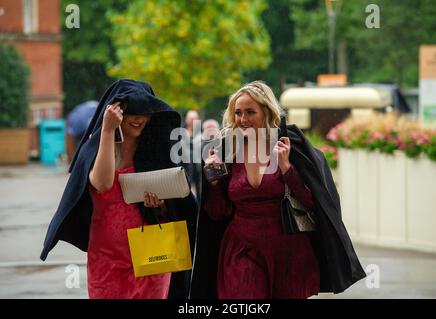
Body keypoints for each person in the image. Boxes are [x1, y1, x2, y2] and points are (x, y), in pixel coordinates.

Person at [190, 80, 366, 299]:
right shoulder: (227, 151)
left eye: (250, 112)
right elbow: (218, 213)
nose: (242, 120)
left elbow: (314, 203)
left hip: (288, 252)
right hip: (240, 250)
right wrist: (214, 182)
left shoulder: (289, 147)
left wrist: (287, 169)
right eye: (238, 113)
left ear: (266, 112)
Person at [40, 79, 198, 299]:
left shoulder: (155, 152)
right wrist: (107, 131)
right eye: (133, 111)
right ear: (117, 112)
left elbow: (177, 205)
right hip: (106, 256)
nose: (140, 119)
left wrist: (160, 207)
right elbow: (102, 184)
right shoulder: (97, 147)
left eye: (146, 112)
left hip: (152, 253)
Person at [181, 110, 202, 196]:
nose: (192, 121)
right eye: (190, 118)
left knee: (200, 190)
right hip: (185, 166)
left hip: (199, 167)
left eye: (194, 119)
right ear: (186, 119)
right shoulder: (180, 132)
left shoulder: (203, 132)